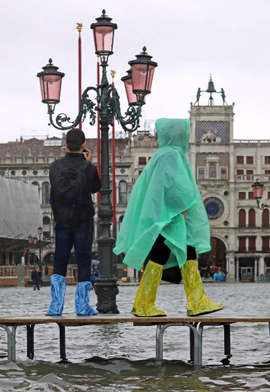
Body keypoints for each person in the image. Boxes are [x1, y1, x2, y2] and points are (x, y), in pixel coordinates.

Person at [113, 118, 223, 317]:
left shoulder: (162, 154)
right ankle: (194, 302)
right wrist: (181, 208)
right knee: (185, 251)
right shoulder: (171, 155)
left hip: (165, 215)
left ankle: (145, 303)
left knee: (164, 254)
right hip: (173, 215)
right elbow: (173, 185)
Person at [46, 128, 101, 316]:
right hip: (83, 218)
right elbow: (95, 188)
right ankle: (82, 306)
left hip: (61, 218)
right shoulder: (89, 168)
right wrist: (88, 163)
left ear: (65, 144)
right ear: (83, 145)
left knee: (60, 259)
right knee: (83, 259)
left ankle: (55, 306)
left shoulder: (54, 167)